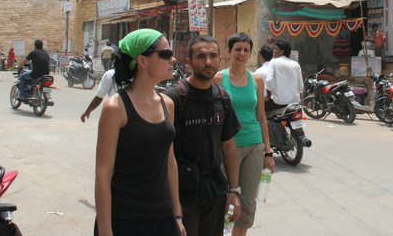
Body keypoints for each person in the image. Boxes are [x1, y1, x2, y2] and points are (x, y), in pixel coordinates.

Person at [94, 28, 186, 236]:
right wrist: (106, 230)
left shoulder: (168, 104)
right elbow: (103, 173)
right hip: (125, 219)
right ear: (143, 61)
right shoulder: (115, 107)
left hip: (162, 217)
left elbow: (170, 161)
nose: (173, 59)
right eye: (165, 54)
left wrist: (177, 214)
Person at [164, 35, 242, 236]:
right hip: (182, 194)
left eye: (213, 56)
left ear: (220, 59)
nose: (208, 62)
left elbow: (229, 147)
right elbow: (163, 154)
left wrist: (234, 191)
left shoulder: (223, 98)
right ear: (189, 62)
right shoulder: (173, 98)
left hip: (214, 191)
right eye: (201, 56)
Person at [214, 33, 274, 236]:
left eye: (246, 50)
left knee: (247, 204)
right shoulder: (219, 79)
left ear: (251, 53)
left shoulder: (257, 79)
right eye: (237, 49)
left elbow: (261, 116)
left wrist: (268, 151)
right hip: (227, 147)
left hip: (254, 146)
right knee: (226, 201)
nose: (242, 53)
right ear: (229, 52)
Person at [264, 40, 304, 113]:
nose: (274, 51)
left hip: (278, 103)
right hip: (294, 103)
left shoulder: (273, 62)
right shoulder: (296, 64)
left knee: (259, 110)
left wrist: (268, 97)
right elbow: (301, 86)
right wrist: (300, 102)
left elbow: (269, 81)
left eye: (276, 49)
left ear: (282, 51)